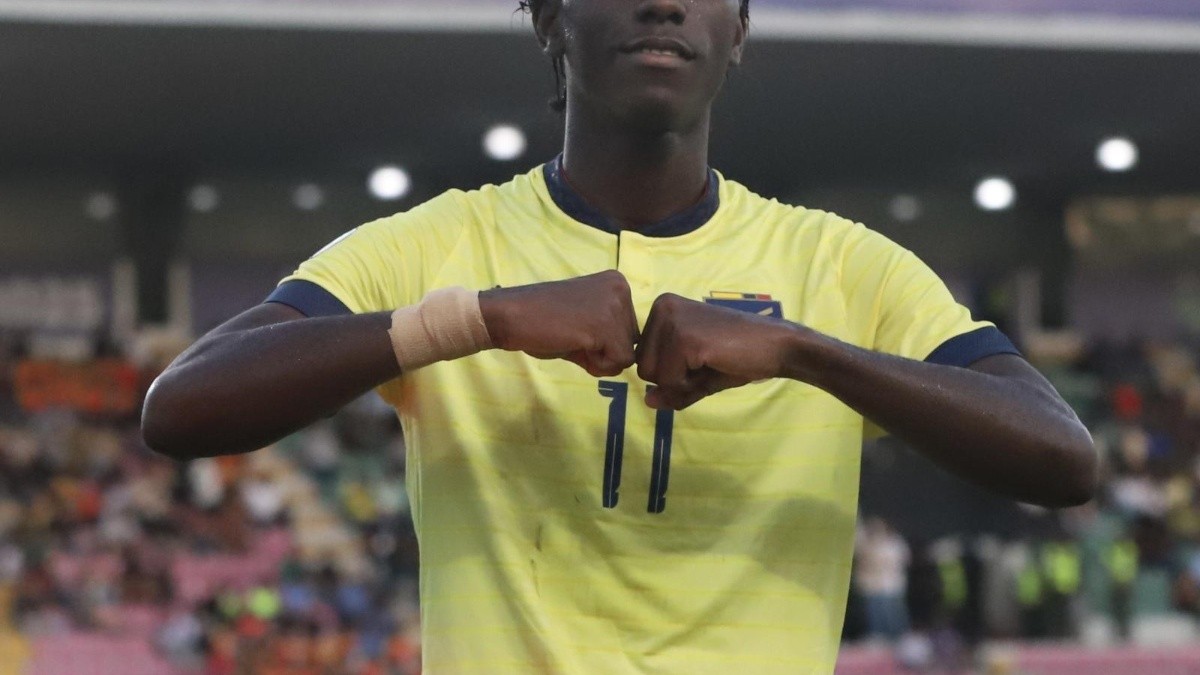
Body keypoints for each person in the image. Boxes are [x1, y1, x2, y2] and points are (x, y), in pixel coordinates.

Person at [141, 0, 1097, 672]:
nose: (663, 4)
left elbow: (1062, 458)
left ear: (739, 31)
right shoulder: (442, 243)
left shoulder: (843, 266)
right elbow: (182, 407)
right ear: (553, 18)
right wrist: (477, 317)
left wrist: (805, 351)